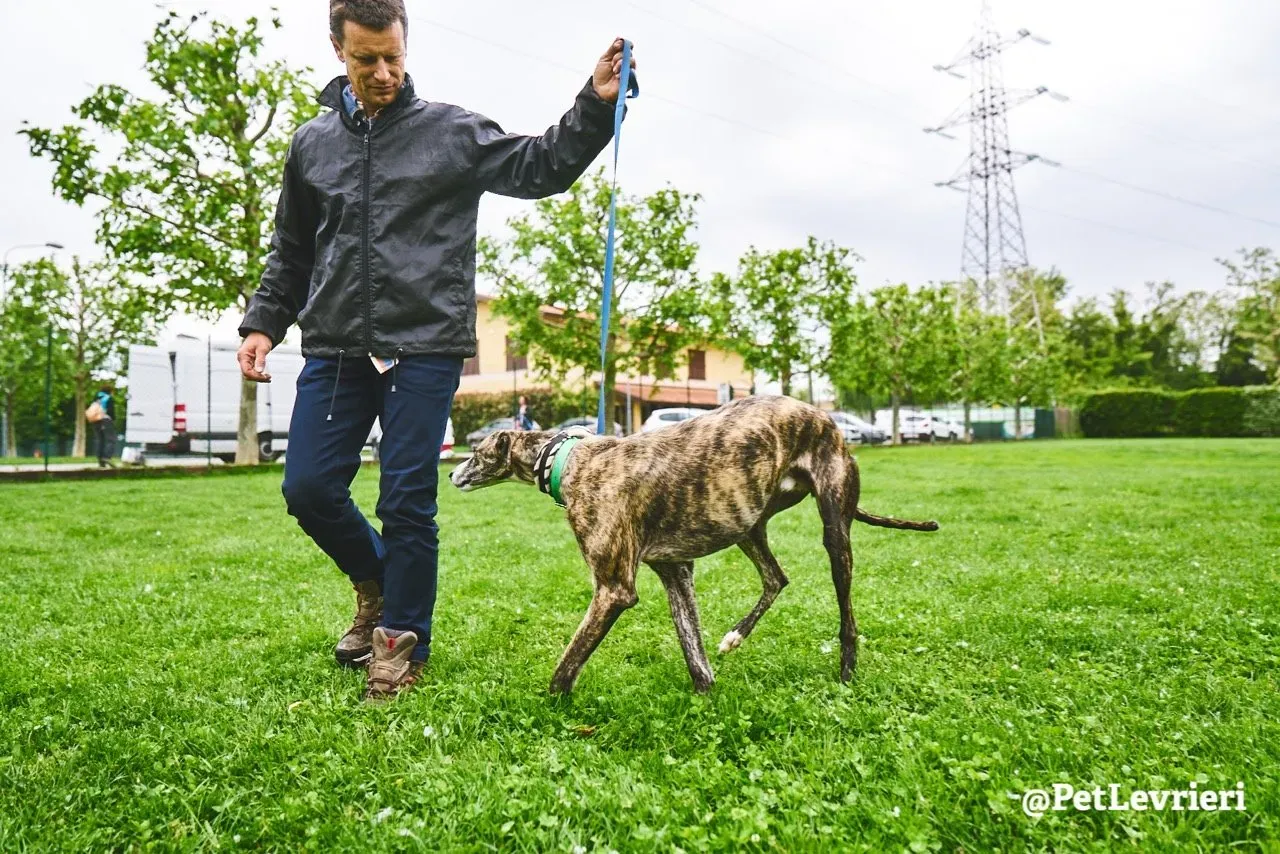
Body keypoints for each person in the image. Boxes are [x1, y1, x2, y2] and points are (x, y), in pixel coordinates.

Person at [235, 0, 634, 701]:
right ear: (338, 51)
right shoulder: (311, 146)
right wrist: (263, 322)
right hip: (333, 346)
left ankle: (400, 641)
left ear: (405, 45)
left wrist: (594, 106)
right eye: (366, 60)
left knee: (406, 499)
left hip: (423, 344)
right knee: (309, 489)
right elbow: (292, 250)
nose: (384, 72)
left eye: (393, 56)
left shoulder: (450, 132)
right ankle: (379, 588)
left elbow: (539, 166)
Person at [92, 386, 116, 468]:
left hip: (95, 420)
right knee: (111, 439)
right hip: (106, 420)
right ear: (110, 391)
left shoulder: (96, 397)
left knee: (100, 440)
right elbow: (111, 411)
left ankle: (100, 461)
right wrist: (113, 420)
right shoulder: (109, 398)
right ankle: (107, 457)